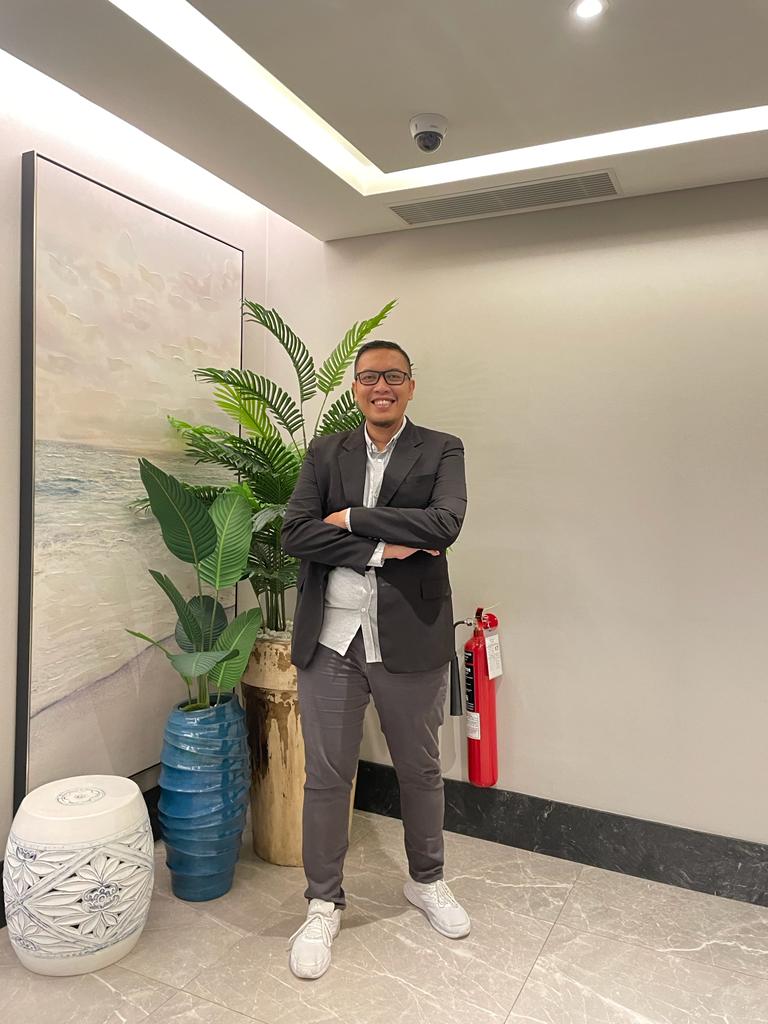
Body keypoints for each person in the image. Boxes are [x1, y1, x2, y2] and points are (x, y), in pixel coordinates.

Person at [280, 339, 469, 980]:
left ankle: (427, 880)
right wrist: (383, 548)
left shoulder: (442, 449)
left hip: (408, 638)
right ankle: (322, 903)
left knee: (419, 769)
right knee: (327, 777)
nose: (380, 386)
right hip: (331, 639)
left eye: (393, 376)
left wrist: (351, 517)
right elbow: (296, 532)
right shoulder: (325, 451)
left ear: (410, 385)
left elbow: (443, 526)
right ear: (355, 388)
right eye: (368, 377)